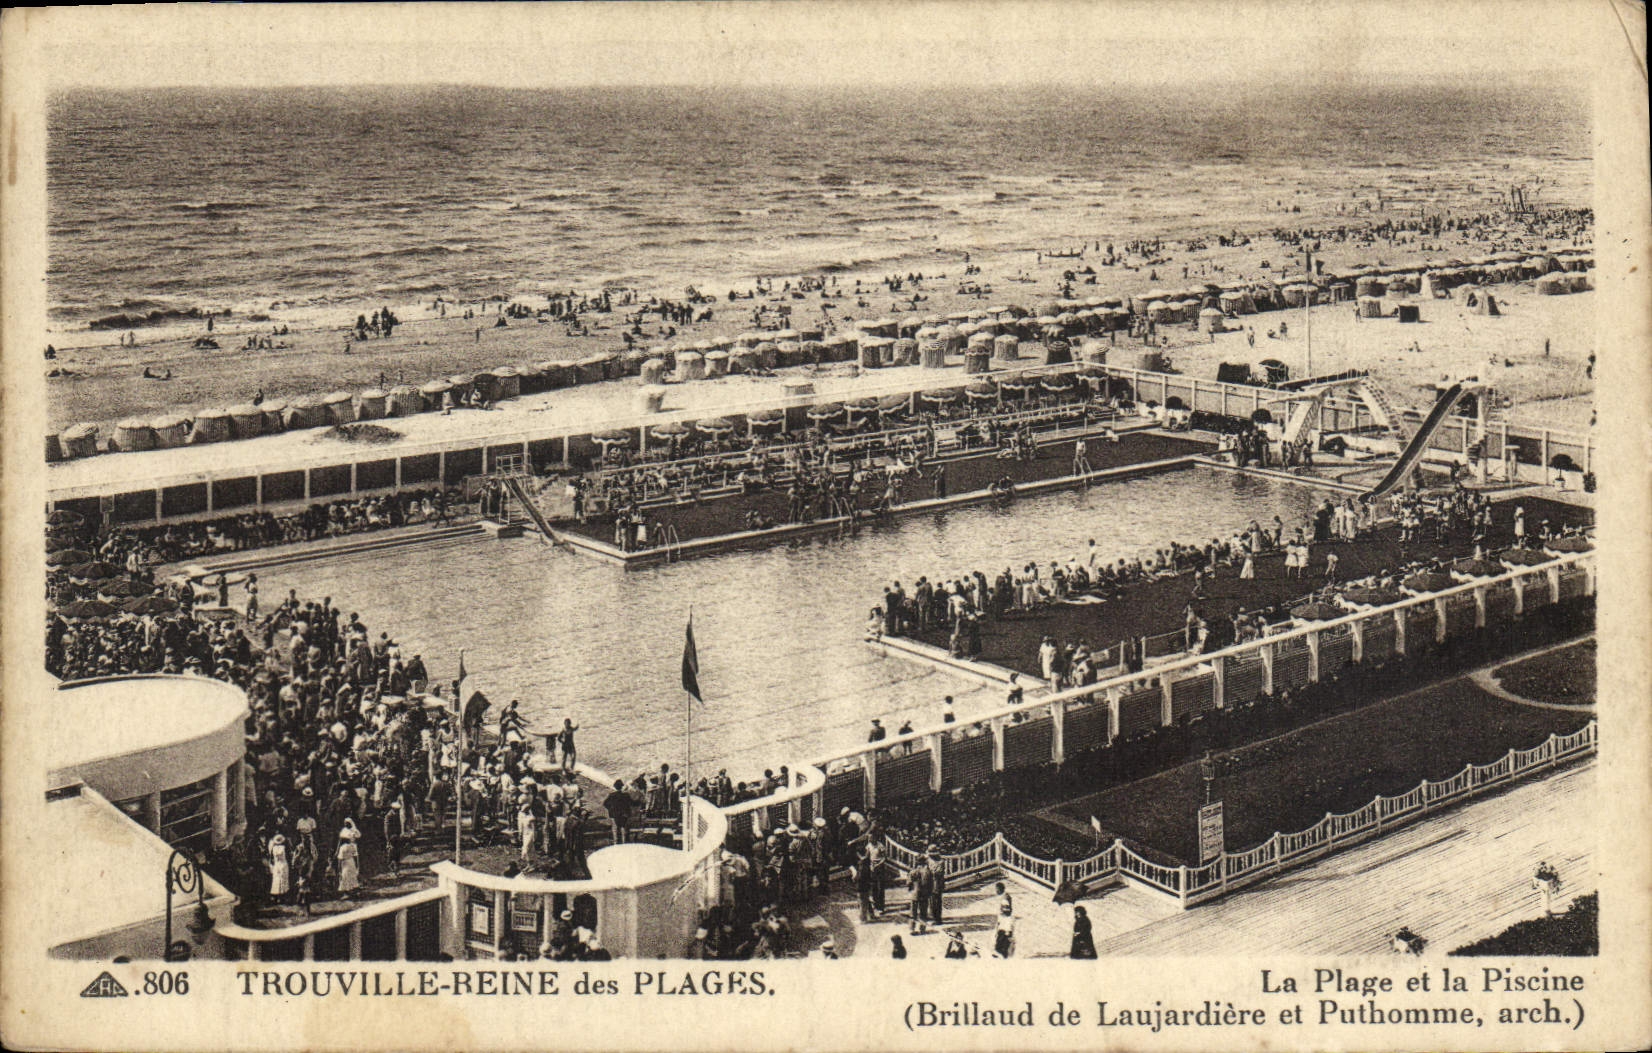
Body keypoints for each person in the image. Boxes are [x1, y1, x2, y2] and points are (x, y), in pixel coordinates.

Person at [604, 779, 634, 845]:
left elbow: (605, 803)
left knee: (615, 829)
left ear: (615, 787)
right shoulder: (626, 795)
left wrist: (611, 809)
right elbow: (632, 803)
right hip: (624, 814)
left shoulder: (612, 795)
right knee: (623, 828)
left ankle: (616, 843)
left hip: (614, 815)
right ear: (621, 787)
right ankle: (624, 842)